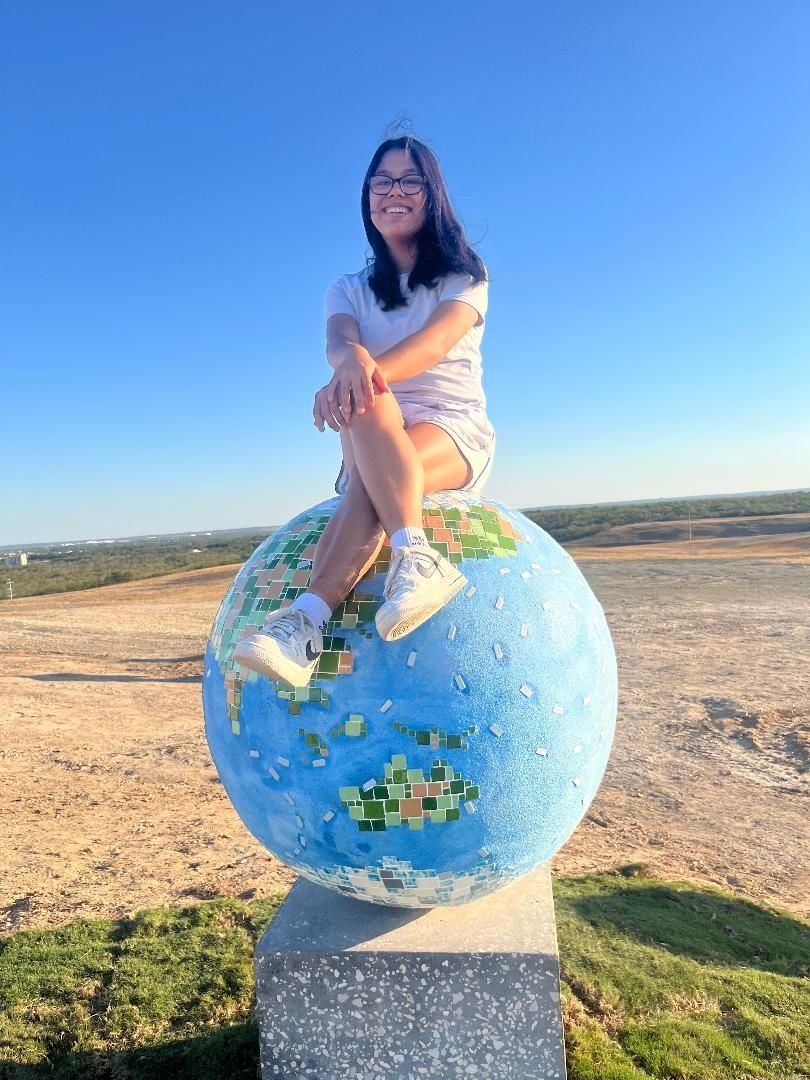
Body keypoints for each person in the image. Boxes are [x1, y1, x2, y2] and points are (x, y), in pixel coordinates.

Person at [233, 134, 496, 687]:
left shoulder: (464, 276)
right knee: (370, 411)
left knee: (369, 444)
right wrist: (349, 361)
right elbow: (338, 340)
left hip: (450, 429)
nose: (392, 192)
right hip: (373, 432)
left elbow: (432, 345)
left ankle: (321, 612)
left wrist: (359, 375)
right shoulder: (347, 288)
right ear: (366, 196)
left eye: (409, 180)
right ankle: (335, 606)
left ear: (432, 195)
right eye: (381, 181)